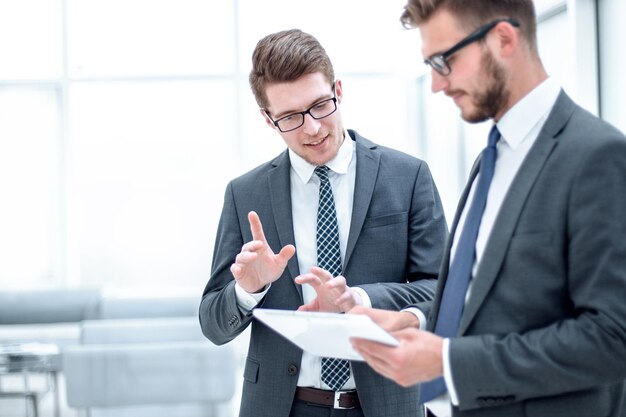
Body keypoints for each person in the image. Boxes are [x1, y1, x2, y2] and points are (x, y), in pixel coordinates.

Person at [347, 1, 626, 417]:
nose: (437, 86)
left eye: (446, 61)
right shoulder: (490, 158)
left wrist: (448, 362)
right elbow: (484, 298)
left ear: (503, 39)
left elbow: (612, 337)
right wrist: (416, 323)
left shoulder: (595, 154)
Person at [199, 29, 448, 417]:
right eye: (291, 117)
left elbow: (442, 293)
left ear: (339, 90)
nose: (312, 128)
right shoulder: (245, 195)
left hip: (385, 405)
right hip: (284, 407)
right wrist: (249, 290)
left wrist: (360, 300)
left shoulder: (408, 176)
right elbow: (214, 326)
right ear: (268, 119)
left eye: (320, 105)